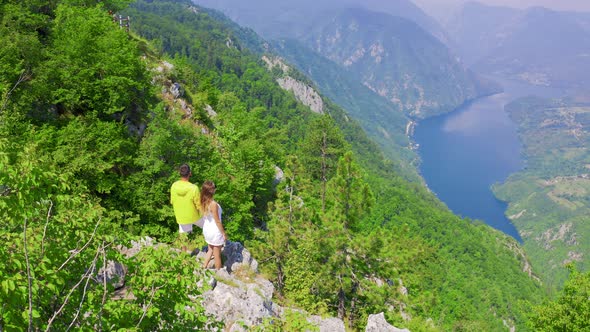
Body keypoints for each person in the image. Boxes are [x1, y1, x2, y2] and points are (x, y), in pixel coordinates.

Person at [170, 164, 202, 251]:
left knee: (183, 235)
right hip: (193, 216)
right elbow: (199, 205)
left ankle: (183, 255)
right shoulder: (193, 188)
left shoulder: (174, 186)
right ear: (190, 173)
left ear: (180, 173)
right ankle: (213, 249)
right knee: (208, 225)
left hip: (181, 216)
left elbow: (172, 201)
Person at [200, 180, 227, 270]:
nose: (215, 189)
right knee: (217, 255)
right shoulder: (213, 204)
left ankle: (204, 266)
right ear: (211, 190)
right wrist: (223, 233)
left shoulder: (203, 201)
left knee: (210, 249)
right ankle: (219, 272)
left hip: (207, 229)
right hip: (215, 231)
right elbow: (217, 221)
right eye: (214, 188)